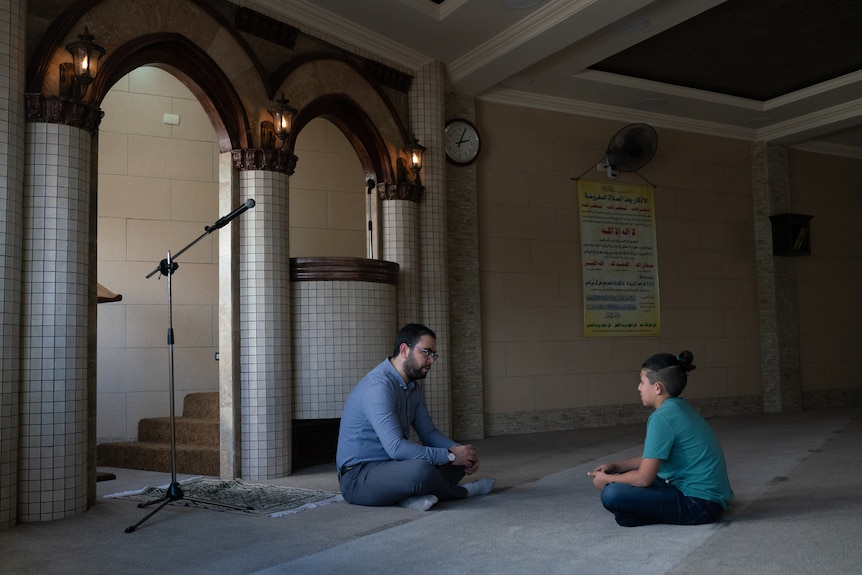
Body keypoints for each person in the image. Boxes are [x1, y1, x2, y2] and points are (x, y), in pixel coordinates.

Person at [336, 323, 495, 511]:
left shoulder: (412, 387)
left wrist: (461, 452)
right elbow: (396, 448)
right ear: (404, 350)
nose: (431, 360)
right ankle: (462, 492)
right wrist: (449, 455)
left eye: (433, 355)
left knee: (458, 461)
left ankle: (408, 497)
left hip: (395, 468)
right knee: (423, 469)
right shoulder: (378, 387)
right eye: (426, 352)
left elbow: (428, 433)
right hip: (358, 478)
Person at [587, 351, 733, 527]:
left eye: (641, 382)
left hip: (698, 504)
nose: (638, 388)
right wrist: (616, 466)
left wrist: (607, 480)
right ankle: (636, 513)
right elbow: (653, 457)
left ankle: (636, 513)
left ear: (657, 387)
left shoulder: (662, 418)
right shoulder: (680, 408)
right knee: (623, 482)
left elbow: (643, 479)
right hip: (706, 501)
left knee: (613, 493)